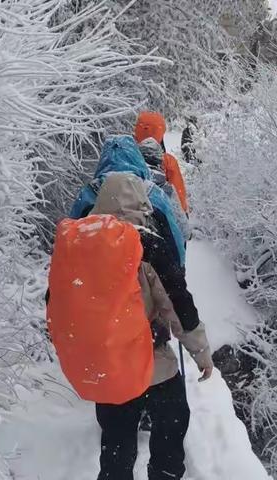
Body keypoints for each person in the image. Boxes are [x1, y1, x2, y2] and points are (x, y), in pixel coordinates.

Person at [90, 173, 213, 480]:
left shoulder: (81, 242)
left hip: (107, 370)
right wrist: (200, 353)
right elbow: (177, 303)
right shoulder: (146, 242)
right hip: (151, 362)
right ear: (141, 202)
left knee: (116, 445)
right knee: (172, 426)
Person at [69, 135, 186, 267]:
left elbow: (70, 234)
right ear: (137, 159)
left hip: (95, 268)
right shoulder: (153, 192)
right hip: (143, 269)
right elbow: (174, 238)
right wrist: (178, 270)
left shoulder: (89, 191)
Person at [134, 111, 189, 213]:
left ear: (137, 130)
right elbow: (179, 196)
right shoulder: (167, 161)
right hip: (157, 215)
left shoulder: (127, 154)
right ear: (160, 133)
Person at [139, 137, 190, 242]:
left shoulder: (129, 183)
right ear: (160, 160)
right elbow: (183, 229)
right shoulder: (166, 189)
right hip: (159, 248)